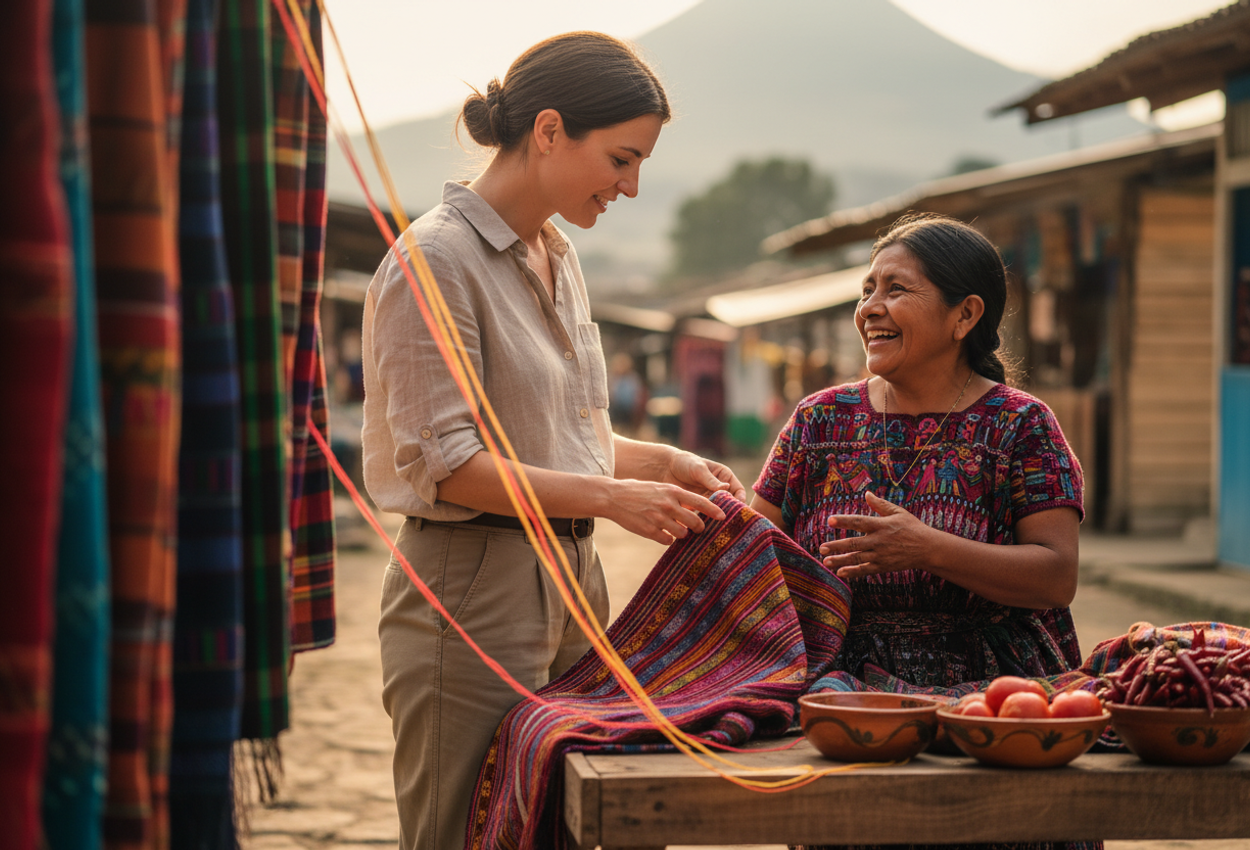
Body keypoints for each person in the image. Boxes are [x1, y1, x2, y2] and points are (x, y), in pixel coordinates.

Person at [360, 32, 745, 850]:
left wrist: (663, 464)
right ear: (547, 131)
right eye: (620, 158)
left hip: (574, 579)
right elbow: (452, 466)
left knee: (559, 829)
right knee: (461, 831)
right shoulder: (435, 260)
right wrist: (615, 496)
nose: (631, 186)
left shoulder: (557, 256)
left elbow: (567, 439)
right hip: (474, 585)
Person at [751, 213, 1086, 695]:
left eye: (896, 290)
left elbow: (1056, 577)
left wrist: (926, 548)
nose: (869, 308)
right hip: (832, 682)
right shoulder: (818, 420)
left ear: (965, 316)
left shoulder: (1020, 425)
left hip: (988, 690)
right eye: (867, 290)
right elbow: (756, 551)